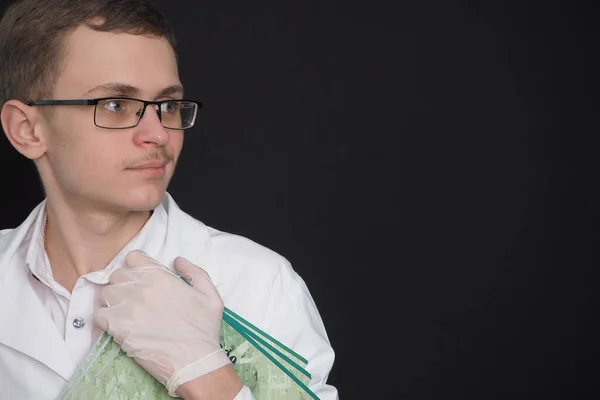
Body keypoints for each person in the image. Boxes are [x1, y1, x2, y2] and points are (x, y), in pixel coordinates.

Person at [0, 0, 338, 399]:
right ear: (27, 129)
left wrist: (210, 377)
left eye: (167, 105)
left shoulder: (260, 285)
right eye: (115, 104)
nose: (158, 134)